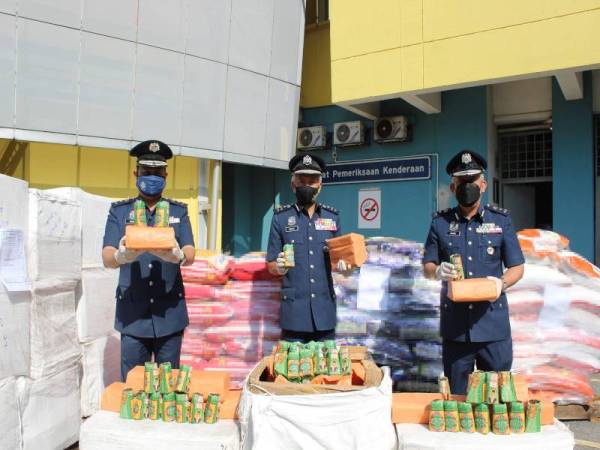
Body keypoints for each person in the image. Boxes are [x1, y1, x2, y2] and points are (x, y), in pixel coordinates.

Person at [423, 150, 525, 394]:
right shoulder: (440, 223)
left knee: (498, 398)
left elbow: (517, 267)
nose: (467, 186)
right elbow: (427, 265)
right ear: (452, 186)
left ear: (483, 184)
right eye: (462, 182)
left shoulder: (500, 221)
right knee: (458, 398)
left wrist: (501, 284)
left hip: (492, 326)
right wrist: (437, 272)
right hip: (457, 330)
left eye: (472, 180)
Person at [102, 140, 195, 381]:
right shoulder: (120, 211)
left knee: (168, 387)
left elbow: (190, 253)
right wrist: (122, 256)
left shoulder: (178, 211)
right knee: (133, 386)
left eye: (157, 172)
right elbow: (107, 256)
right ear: (136, 173)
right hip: (133, 316)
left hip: (169, 315)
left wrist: (178, 255)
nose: (152, 177)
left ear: (166, 174)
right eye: (146, 172)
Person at [266, 154, 348, 343]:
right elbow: (271, 263)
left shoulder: (332, 218)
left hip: (324, 311)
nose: (307, 186)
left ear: (320, 186)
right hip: (294, 313)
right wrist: (279, 268)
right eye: (302, 181)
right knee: (293, 371)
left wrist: (346, 267)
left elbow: (340, 259)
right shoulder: (281, 218)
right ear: (293, 185)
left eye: (312, 182)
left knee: (327, 371)